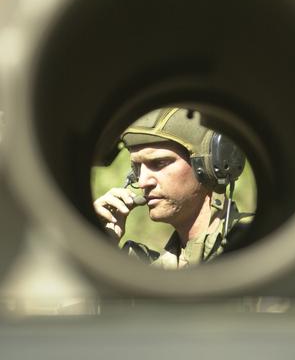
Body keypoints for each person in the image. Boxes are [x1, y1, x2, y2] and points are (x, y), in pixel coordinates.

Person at [93, 107, 250, 269]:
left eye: (160, 163)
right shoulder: (153, 273)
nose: (143, 182)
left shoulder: (257, 246)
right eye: (137, 168)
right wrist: (101, 247)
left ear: (208, 164)